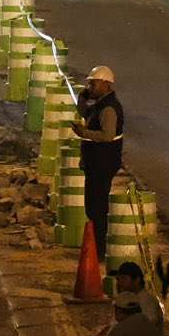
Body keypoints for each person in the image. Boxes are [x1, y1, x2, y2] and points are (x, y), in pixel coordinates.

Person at [72, 65, 126, 255]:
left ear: (105, 84)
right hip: (96, 161)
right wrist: (83, 97)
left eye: (93, 84)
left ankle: (99, 248)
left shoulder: (109, 108)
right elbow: (85, 113)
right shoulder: (100, 104)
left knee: (97, 207)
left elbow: (107, 135)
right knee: (93, 206)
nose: (90, 87)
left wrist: (83, 133)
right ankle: (95, 245)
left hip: (103, 162)